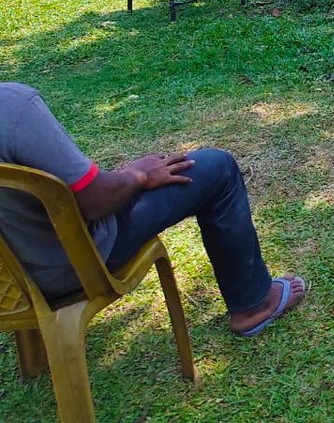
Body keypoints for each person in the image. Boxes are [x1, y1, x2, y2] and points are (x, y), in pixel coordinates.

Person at [0, 83, 306, 336]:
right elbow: (95, 201)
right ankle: (254, 305)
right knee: (218, 168)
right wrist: (136, 175)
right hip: (73, 266)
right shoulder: (13, 107)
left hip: (11, 288)